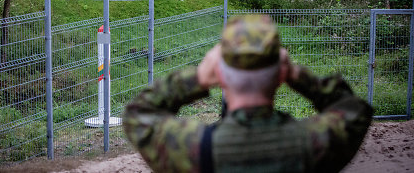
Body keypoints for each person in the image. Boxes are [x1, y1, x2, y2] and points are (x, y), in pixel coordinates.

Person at [123, 15, 373, 173]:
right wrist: (298, 75)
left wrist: (197, 78)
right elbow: (353, 108)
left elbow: (138, 114)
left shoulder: (191, 149)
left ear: (219, 76)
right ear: (280, 76)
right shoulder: (316, 143)